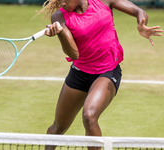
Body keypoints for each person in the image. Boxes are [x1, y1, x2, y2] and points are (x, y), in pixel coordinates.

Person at [37, 0, 163, 149]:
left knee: (89, 116)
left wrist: (142, 24)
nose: (62, 3)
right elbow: (74, 53)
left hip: (107, 72)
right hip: (79, 74)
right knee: (56, 129)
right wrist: (60, 34)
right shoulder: (59, 17)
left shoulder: (103, 1)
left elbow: (139, 12)